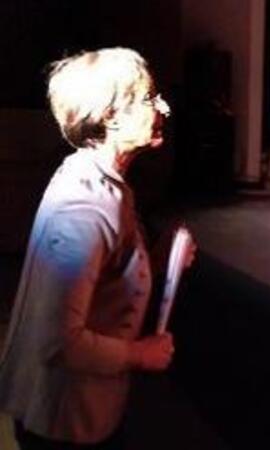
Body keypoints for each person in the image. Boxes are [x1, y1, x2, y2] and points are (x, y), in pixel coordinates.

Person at [0, 47, 194, 449]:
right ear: (111, 116)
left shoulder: (97, 176)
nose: (163, 108)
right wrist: (140, 354)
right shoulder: (84, 208)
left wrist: (159, 261)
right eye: (149, 98)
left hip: (80, 413)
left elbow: (105, 273)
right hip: (63, 422)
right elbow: (59, 340)